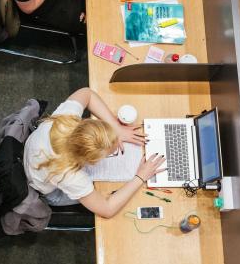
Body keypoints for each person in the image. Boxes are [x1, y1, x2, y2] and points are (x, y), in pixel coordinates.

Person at [23, 88, 166, 218]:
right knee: (105, 193)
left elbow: (87, 93)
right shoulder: (69, 175)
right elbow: (107, 210)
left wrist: (116, 128)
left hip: (32, 157)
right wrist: (140, 177)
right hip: (46, 191)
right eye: (111, 154)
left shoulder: (65, 120)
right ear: (88, 161)